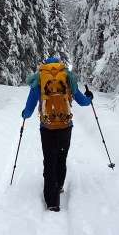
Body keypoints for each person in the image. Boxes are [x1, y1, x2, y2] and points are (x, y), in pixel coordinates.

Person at [21, 57, 94, 212]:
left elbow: (29, 107)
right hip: (65, 126)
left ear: (44, 65)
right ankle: (59, 185)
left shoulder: (39, 78)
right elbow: (83, 101)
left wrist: (25, 114)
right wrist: (89, 97)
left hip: (47, 127)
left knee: (49, 160)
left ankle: (52, 201)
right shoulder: (68, 77)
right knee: (61, 157)